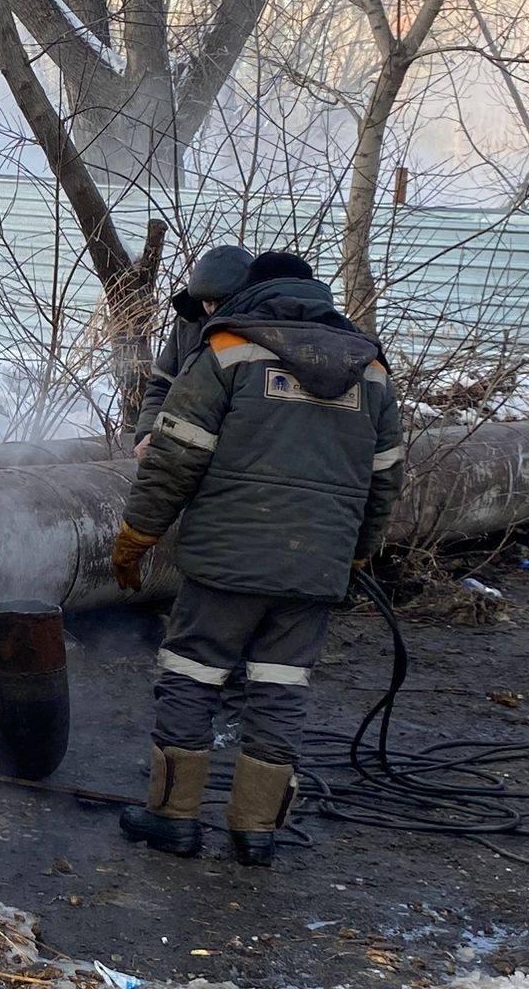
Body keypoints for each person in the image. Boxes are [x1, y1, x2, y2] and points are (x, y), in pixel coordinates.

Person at [109, 252, 404, 866]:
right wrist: (356, 554)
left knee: (193, 674)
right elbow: (385, 478)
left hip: (228, 560)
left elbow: (175, 456)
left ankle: (173, 820)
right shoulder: (369, 367)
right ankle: (255, 831)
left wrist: (138, 533)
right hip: (315, 565)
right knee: (279, 687)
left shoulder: (228, 351)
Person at [135, 246, 254, 458]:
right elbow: (161, 385)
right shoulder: (187, 323)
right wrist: (149, 433)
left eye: (219, 301)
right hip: (180, 446)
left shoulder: (259, 330)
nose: (211, 309)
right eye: (207, 302)